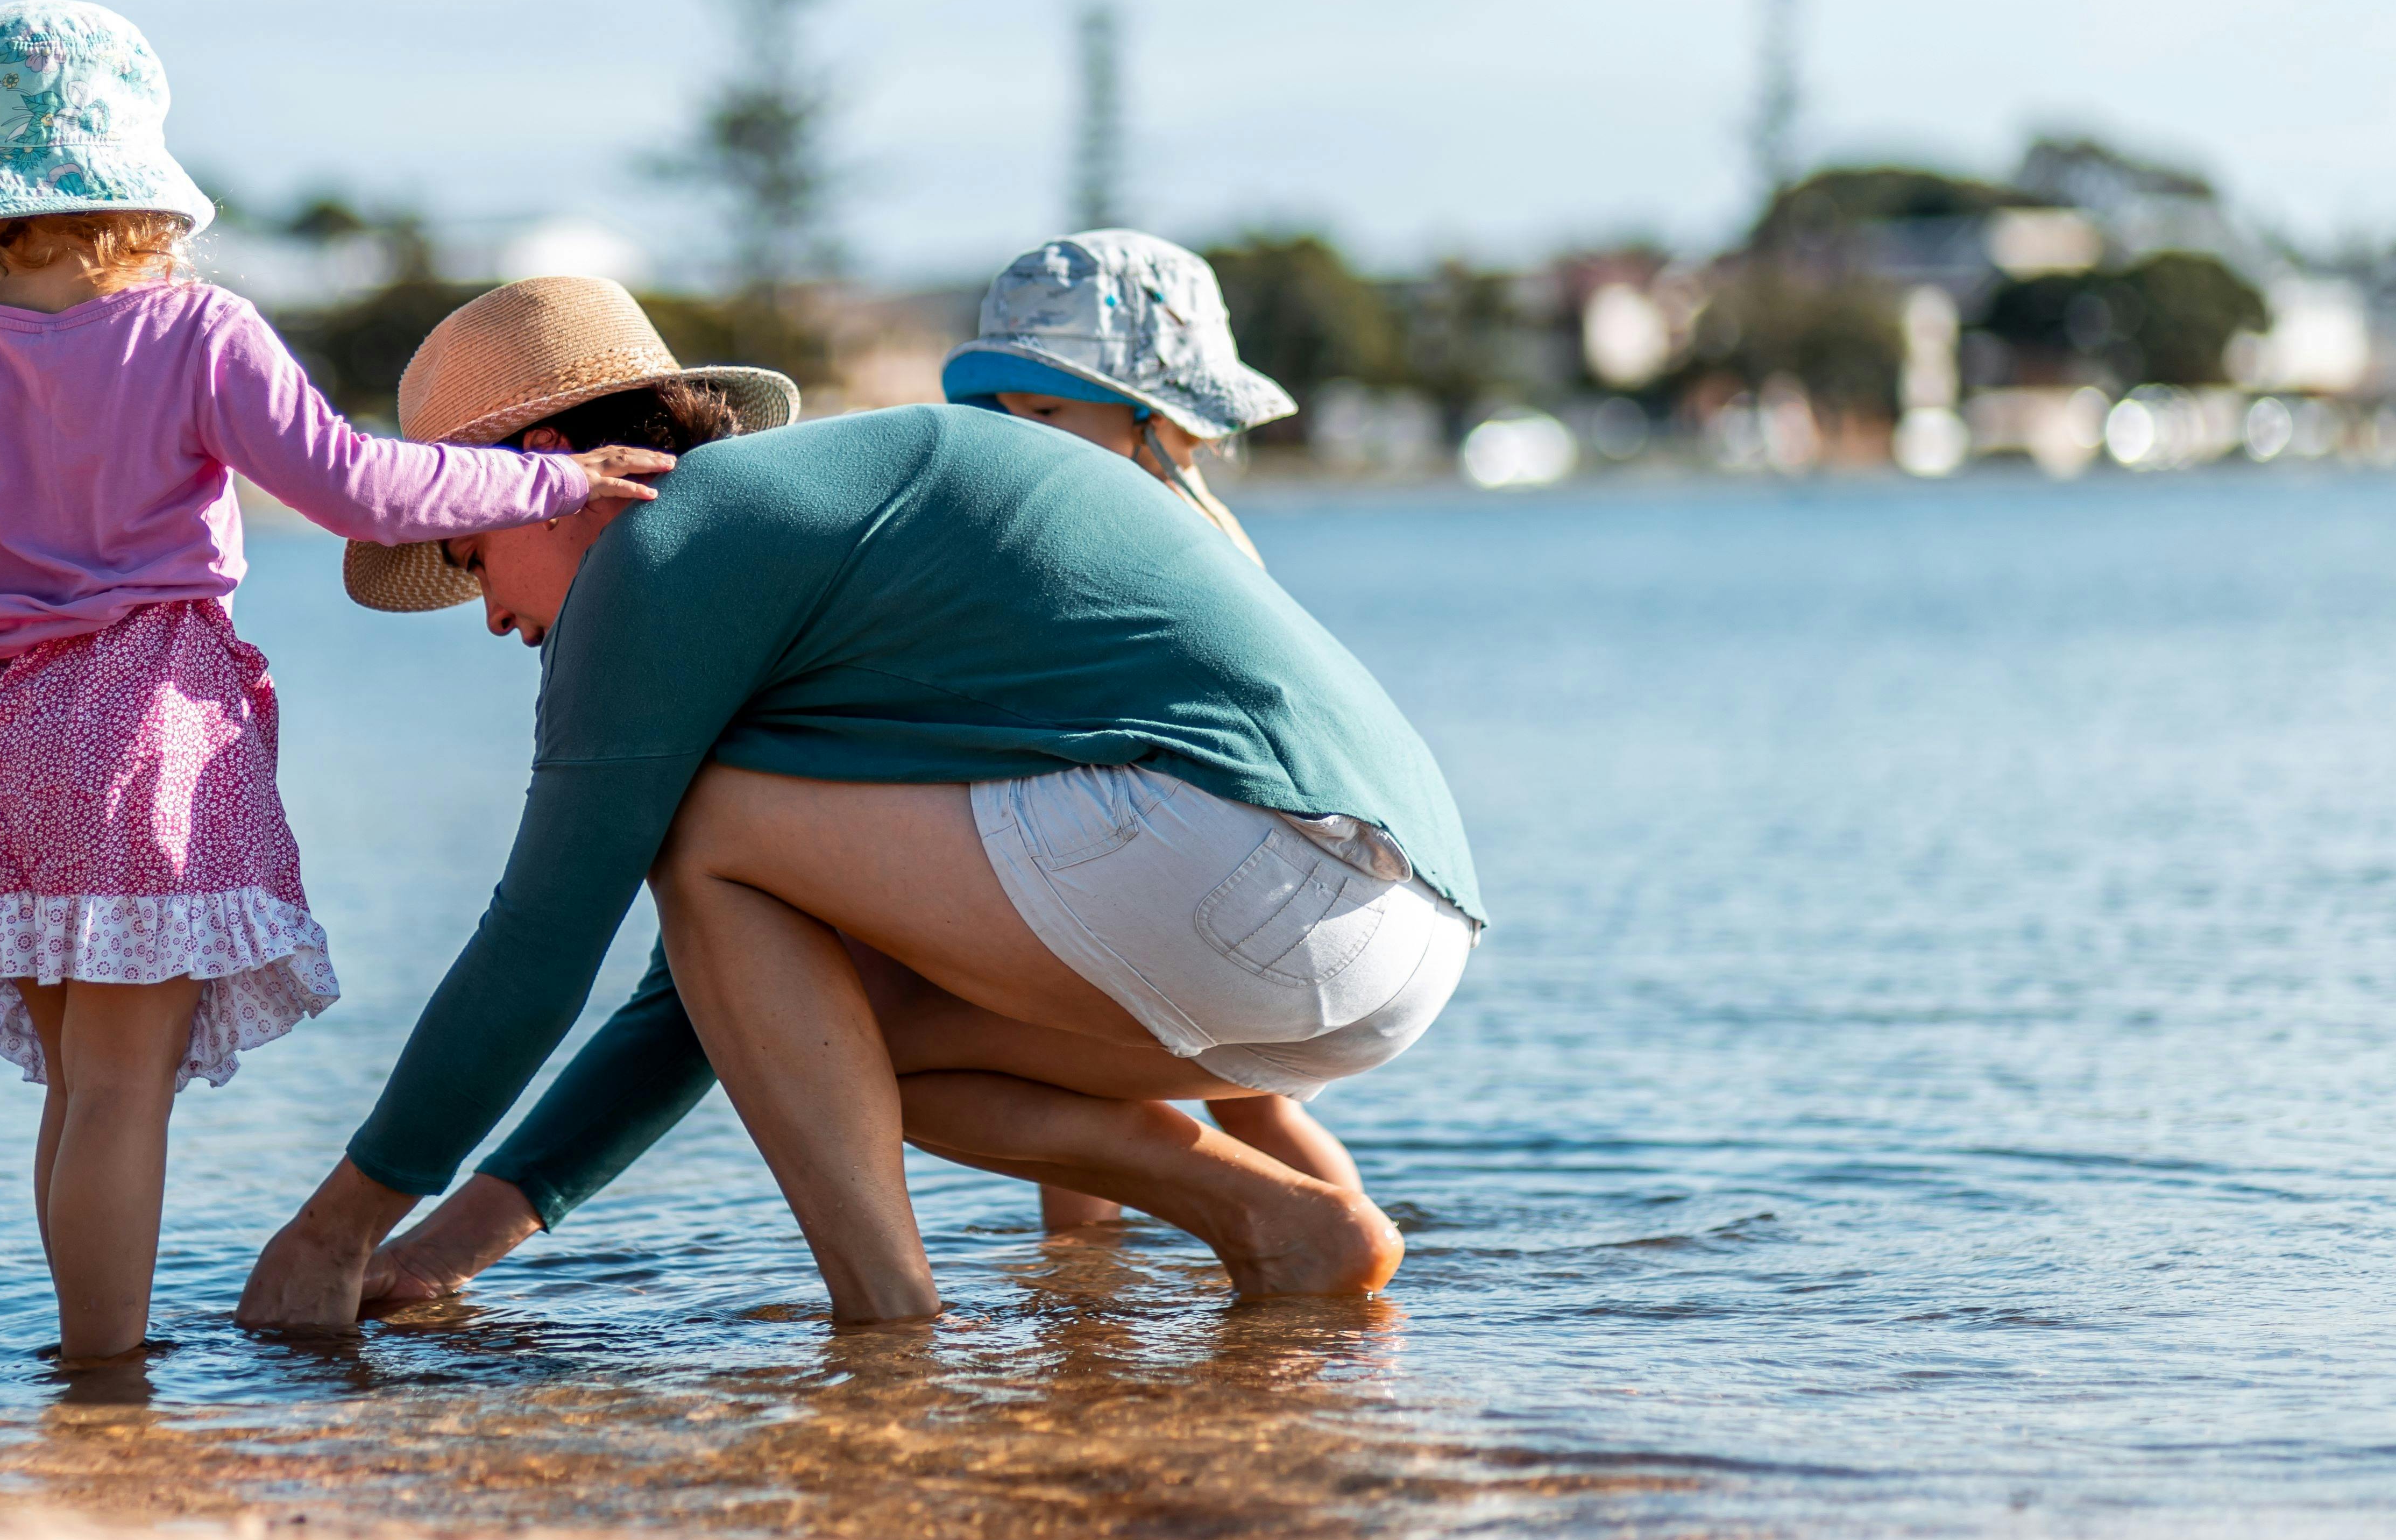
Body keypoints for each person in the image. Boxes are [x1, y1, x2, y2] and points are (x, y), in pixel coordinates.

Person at [236, 275, 1483, 1333]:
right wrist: (442, 1253)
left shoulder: (666, 540)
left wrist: (333, 1228)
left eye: (467, 554)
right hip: (1394, 937)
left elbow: (545, 933)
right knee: (850, 1043)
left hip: (1254, 872)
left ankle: (888, 1330)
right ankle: (1280, 1223)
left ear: (547, 475)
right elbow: (716, 1004)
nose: (495, 617)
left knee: (705, 830)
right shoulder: (792, 535)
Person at [0, 0, 672, 1360]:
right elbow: (357, 486)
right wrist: (554, 476)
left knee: (75, 1087)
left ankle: (78, 1366)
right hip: (138, 726)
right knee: (125, 1089)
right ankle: (107, 1383)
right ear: (139, 190)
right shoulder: (201, 334)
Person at [937, 228, 1354, 1229]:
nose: (1016, 433)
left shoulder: (1139, 533)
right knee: (1244, 1102)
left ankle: (1100, 1299)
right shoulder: (1186, 520)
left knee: (1141, 1085)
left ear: (1156, 422)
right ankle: (1116, 1282)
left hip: (1173, 861)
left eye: (1044, 409)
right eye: (1000, 413)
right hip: (1217, 864)